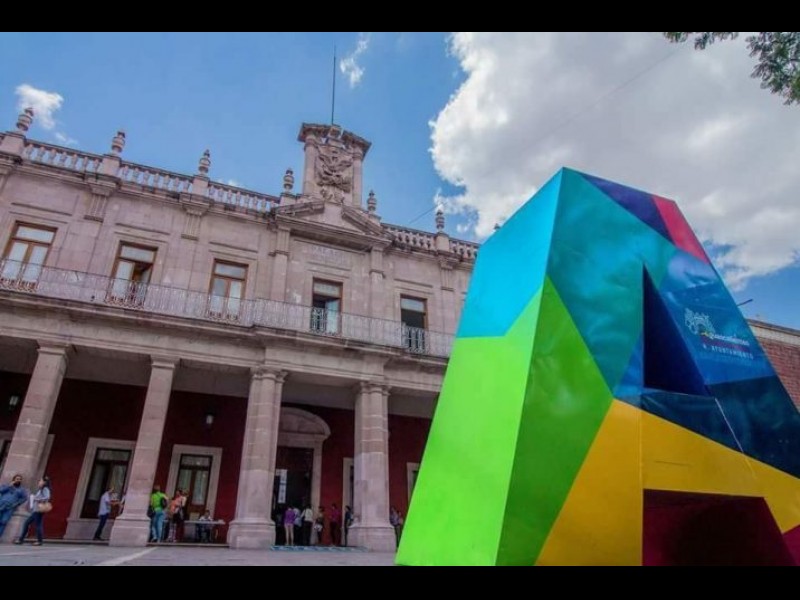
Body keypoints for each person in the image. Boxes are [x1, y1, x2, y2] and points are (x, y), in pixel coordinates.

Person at [14, 476, 51, 546]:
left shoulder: (45, 489)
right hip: (36, 509)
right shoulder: (41, 489)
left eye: (40, 480)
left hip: (39, 509)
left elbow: (47, 497)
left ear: (44, 482)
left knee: (36, 524)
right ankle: (21, 539)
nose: (39, 482)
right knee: (28, 523)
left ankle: (37, 541)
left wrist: (36, 499)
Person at [0, 474, 28, 538]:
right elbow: (1, 491)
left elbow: (24, 498)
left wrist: (16, 504)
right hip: (1, 505)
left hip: (10, 508)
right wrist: (9, 486)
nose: (18, 480)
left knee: (3, 522)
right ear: (13, 479)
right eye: (17, 479)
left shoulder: (22, 490)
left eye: (20, 479)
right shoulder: (6, 485)